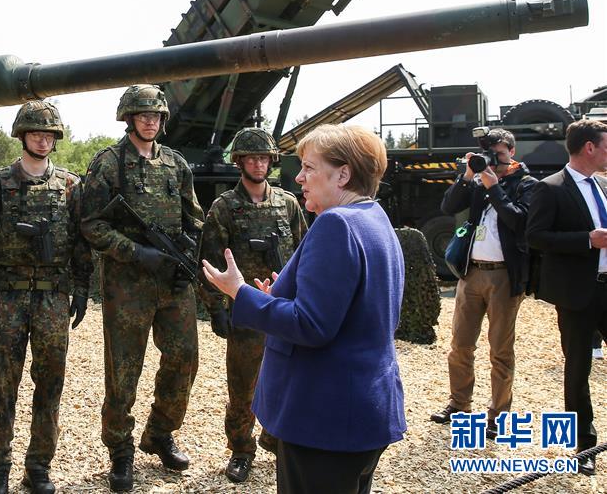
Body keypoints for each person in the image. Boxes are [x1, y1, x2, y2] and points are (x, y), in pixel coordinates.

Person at [202, 124, 406, 494]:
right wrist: (280, 298)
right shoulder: (373, 217)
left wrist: (241, 293)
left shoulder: (335, 224)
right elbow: (356, 309)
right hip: (363, 410)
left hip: (324, 418)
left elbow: (311, 325)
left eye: (309, 168)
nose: (298, 177)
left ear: (343, 174)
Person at [81, 84, 204, 492]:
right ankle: (120, 450)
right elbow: (92, 224)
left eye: (156, 116)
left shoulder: (176, 164)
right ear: (129, 118)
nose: (150, 121)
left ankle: (160, 432)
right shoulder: (109, 163)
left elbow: (194, 219)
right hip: (127, 284)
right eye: (143, 115)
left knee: (185, 359)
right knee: (123, 370)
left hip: (172, 282)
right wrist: (135, 252)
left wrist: (189, 256)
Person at [0, 100, 92, 494]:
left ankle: (38, 466)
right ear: (22, 136)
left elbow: (81, 243)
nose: (42, 140)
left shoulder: (71, 186)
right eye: (36, 133)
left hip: (52, 299)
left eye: (49, 135)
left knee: (50, 385)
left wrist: (81, 289)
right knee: (1, 386)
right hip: (9, 297)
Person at [197, 127, 307, 483]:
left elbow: (305, 252)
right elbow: (210, 261)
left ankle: (276, 438)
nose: (258, 164)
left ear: (271, 161)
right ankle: (241, 449)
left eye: (263, 158)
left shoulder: (287, 204)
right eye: (251, 159)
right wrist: (216, 308)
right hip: (245, 311)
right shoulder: (224, 208)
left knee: (286, 379)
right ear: (239, 162)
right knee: (243, 387)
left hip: (285, 309)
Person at [430, 129, 537, 437]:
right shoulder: (477, 182)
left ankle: (498, 414)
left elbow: (518, 221)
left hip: (504, 274)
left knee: (500, 350)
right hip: (471, 272)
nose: (493, 160)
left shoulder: (526, 184)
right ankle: (459, 403)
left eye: (498, 154)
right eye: (488, 155)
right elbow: (448, 207)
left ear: (512, 152)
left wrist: (495, 188)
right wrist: (467, 176)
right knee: (460, 345)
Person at [526, 118, 607, 476]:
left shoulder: (603, 185)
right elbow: (536, 236)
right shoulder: (551, 188)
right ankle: (584, 446)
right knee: (578, 370)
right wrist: (587, 240)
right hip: (577, 294)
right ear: (589, 147)